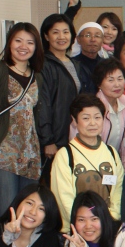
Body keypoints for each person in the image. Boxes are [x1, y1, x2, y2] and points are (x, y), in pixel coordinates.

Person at [0, 22, 45, 215]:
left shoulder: (37, 76)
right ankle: (4, 237)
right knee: (7, 209)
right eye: (18, 41)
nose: (23, 46)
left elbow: (36, 115)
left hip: (29, 152)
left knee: (27, 210)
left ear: (36, 47)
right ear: (9, 43)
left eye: (30, 42)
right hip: (0, 151)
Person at [51, 94, 124, 232]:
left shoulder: (111, 153)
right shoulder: (65, 155)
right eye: (86, 118)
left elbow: (118, 191)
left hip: (107, 228)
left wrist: (109, 220)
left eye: (97, 117)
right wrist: (84, 224)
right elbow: (64, 198)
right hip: (76, 230)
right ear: (74, 120)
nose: (92, 123)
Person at [38, 13, 88, 183]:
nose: (62, 37)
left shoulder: (74, 64)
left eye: (66, 32)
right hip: (55, 139)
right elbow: (43, 104)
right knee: (53, 186)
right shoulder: (43, 65)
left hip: (72, 136)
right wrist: (48, 140)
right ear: (46, 36)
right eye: (55, 32)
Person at [76, 60, 125, 171]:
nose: (117, 84)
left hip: (116, 165)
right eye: (110, 80)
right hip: (91, 167)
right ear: (99, 84)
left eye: (120, 79)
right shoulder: (91, 108)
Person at [71, 22, 106, 92]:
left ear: (102, 40)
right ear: (78, 39)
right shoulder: (72, 64)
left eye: (97, 36)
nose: (93, 39)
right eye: (87, 35)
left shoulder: (107, 65)